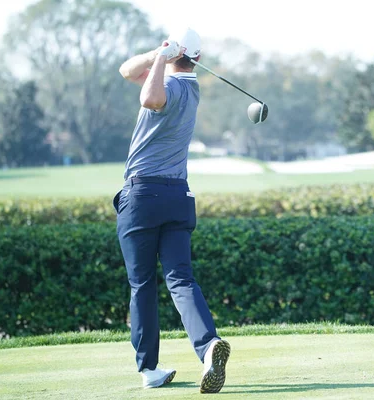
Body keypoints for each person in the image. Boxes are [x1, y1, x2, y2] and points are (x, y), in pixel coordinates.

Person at [113, 28, 230, 393]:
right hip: (178, 195)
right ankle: (209, 346)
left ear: (177, 53)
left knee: (142, 283)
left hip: (144, 195)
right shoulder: (190, 89)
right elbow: (127, 71)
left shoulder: (171, 88)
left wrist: (162, 57)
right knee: (180, 278)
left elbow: (149, 98)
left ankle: (148, 368)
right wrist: (159, 54)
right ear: (196, 57)